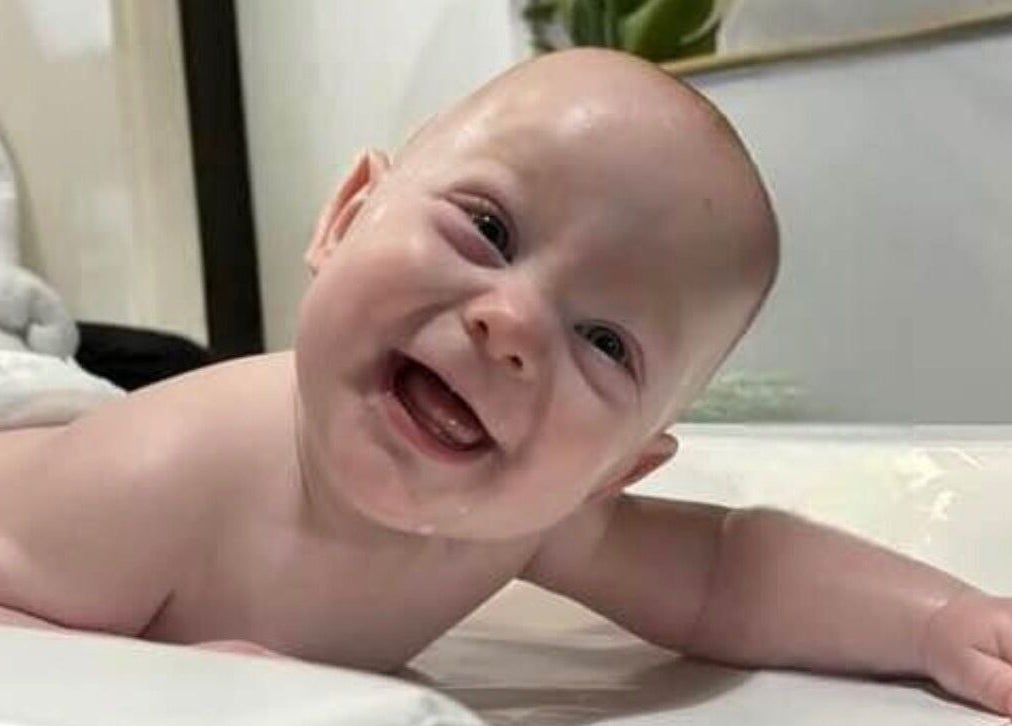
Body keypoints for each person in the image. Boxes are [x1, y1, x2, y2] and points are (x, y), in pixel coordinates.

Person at [0, 48, 1009, 715]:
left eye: (608, 344)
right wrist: (159, 687)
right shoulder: (159, 476)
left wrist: (933, 623)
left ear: (613, 472)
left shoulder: (524, 516)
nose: (515, 324)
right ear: (348, 215)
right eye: (488, 229)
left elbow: (720, 573)